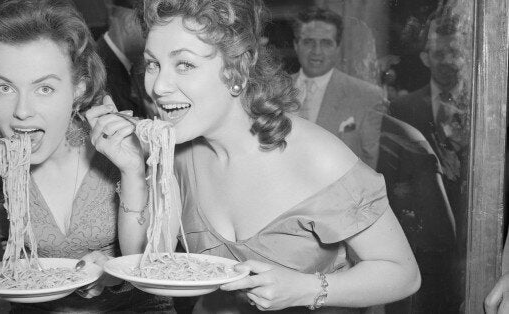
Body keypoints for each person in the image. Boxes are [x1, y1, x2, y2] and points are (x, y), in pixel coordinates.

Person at [87, 0, 420, 312]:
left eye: (184, 64)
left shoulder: (318, 156)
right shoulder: (177, 152)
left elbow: (403, 274)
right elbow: (146, 263)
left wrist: (306, 288)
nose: (158, 86)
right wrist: (132, 169)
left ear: (238, 69)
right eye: (153, 64)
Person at [0, 0, 174, 312]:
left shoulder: (120, 143)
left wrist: (116, 271)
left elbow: (155, 270)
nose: (22, 112)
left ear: (79, 87)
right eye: (5, 89)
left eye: (44, 89)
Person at [388, 9, 467, 313]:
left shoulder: (485, 103)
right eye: (439, 53)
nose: (447, 60)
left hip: (475, 227)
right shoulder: (402, 106)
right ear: (425, 58)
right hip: (425, 240)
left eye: (454, 52)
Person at [291, 7, 386, 170]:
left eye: (326, 43)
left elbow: (370, 166)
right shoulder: (271, 91)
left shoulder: (367, 96)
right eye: (308, 42)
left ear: (337, 47)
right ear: (296, 45)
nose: (316, 51)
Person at [96, 0, 151, 117]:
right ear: (129, 24)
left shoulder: (129, 62)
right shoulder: (98, 70)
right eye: (147, 28)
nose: (152, 36)